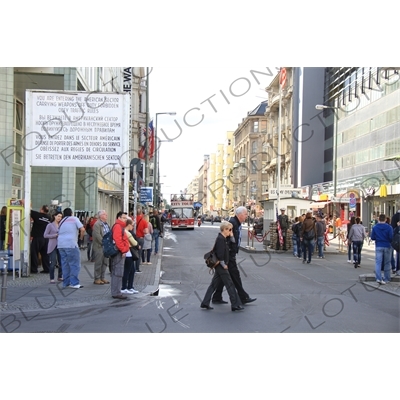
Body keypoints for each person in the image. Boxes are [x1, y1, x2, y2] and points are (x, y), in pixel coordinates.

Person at [211, 206, 256, 305]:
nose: (246, 216)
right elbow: (225, 239)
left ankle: (216, 296)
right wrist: (226, 256)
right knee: (235, 276)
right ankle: (243, 297)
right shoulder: (232, 224)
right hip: (229, 255)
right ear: (239, 215)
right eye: (245, 214)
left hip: (230, 254)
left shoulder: (236, 223)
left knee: (222, 277)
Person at [200, 221, 244, 312]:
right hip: (221, 265)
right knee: (230, 285)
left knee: (213, 285)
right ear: (224, 229)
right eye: (230, 230)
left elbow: (233, 244)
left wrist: (231, 235)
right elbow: (220, 255)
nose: (230, 231)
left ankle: (205, 302)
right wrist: (224, 265)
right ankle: (235, 304)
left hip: (220, 265)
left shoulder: (223, 238)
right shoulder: (221, 239)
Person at [57, 208, 85, 289]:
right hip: (71, 244)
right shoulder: (74, 219)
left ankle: (66, 283)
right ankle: (74, 283)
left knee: (65, 264)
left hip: (61, 245)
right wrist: (81, 238)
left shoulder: (61, 221)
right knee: (74, 264)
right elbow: (82, 229)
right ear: (71, 213)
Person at [110, 211, 130, 299]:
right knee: (118, 272)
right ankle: (116, 292)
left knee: (117, 272)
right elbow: (118, 240)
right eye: (124, 218)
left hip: (120, 251)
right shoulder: (118, 226)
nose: (125, 220)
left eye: (126, 218)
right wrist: (123, 250)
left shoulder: (119, 226)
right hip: (119, 252)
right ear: (119, 218)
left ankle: (116, 291)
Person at [371, 214, 393, 284]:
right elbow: (391, 237)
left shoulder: (375, 227)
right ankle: (387, 278)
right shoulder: (389, 227)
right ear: (385, 219)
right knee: (387, 262)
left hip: (379, 245)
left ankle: (378, 278)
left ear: (379, 219)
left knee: (378, 263)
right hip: (387, 246)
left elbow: (372, 237)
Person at [30, 205, 51, 274]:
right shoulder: (49, 217)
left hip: (37, 238)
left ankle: (34, 269)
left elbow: (29, 211)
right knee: (45, 254)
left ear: (42, 209)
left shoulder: (37, 215)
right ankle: (47, 268)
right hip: (46, 238)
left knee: (34, 253)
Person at [43, 212, 63, 283]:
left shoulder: (61, 225)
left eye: (60, 217)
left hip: (60, 245)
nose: (59, 218)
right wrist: (54, 235)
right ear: (54, 216)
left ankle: (60, 276)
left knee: (61, 262)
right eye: (58, 216)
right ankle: (52, 278)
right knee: (53, 262)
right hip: (52, 245)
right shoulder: (50, 225)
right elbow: (45, 235)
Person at [92, 210, 111, 285]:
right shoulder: (97, 224)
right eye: (105, 214)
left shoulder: (106, 224)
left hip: (106, 246)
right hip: (99, 246)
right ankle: (97, 278)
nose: (106, 215)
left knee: (105, 262)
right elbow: (97, 235)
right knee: (99, 263)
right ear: (101, 216)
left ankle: (102, 277)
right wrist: (103, 243)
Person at [121, 218, 139, 294]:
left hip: (128, 253)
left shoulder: (125, 232)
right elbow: (134, 243)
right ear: (128, 225)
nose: (133, 227)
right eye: (132, 225)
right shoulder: (127, 233)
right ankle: (124, 287)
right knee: (128, 271)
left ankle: (130, 287)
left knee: (131, 270)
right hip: (128, 253)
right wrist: (137, 245)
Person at [134, 208, 148, 273]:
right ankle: (137, 268)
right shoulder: (144, 221)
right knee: (138, 254)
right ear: (141, 213)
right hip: (140, 238)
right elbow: (146, 231)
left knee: (132, 253)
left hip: (133, 238)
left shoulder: (133, 219)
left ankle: (132, 268)